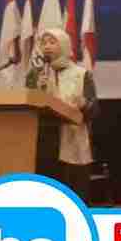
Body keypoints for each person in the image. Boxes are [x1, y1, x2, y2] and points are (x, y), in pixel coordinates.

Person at [25, 28, 99, 203]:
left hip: (72, 139)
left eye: (52, 42)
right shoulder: (35, 74)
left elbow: (94, 110)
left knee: (73, 197)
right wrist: (37, 90)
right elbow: (26, 104)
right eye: (43, 42)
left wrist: (83, 104)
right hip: (43, 141)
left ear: (65, 45)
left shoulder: (81, 74)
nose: (47, 46)